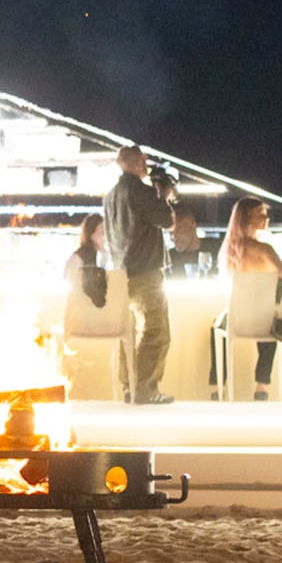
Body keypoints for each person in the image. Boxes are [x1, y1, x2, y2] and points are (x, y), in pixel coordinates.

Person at [104, 146, 178, 404]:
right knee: (155, 330)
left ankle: (129, 387)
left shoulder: (111, 195)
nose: (146, 165)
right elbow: (168, 221)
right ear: (137, 163)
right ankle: (146, 388)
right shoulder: (141, 191)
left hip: (119, 271)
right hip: (145, 271)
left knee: (129, 332)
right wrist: (164, 196)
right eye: (144, 161)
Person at [220, 198, 282, 401]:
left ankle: (216, 389)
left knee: (215, 327)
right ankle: (262, 387)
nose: (267, 218)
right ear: (248, 219)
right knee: (272, 322)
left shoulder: (229, 250)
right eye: (262, 214)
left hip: (238, 320)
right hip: (264, 321)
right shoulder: (265, 250)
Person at [65, 213, 108, 309]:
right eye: (102, 233)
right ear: (91, 235)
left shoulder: (106, 257)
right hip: (83, 311)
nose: (107, 238)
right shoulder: (78, 258)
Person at [168, 209, 206, 278]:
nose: (174, 236)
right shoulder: (169, 257)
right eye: (170, 232)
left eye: (179, 229)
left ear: (193, 225)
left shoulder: (214, 251)